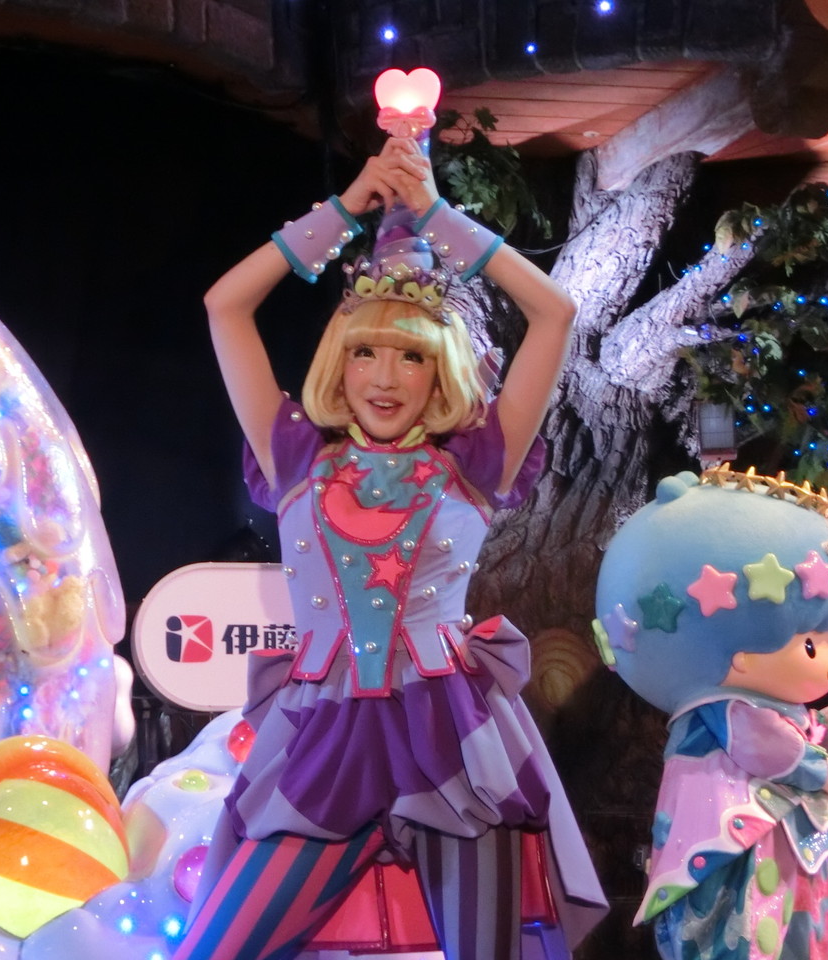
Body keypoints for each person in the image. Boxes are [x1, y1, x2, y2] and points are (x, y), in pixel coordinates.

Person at [174, 137, 606, 960]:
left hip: (453, 739)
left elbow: (554, 313)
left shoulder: (478, 459)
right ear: (338, 362)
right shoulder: (295, 455)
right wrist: (346, 209)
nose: (383, 375)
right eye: (364, 351)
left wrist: (438, 217)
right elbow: (225, 305)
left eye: (411, 356)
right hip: (321, 739)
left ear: (439, 371)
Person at [594, 466, 828, 960]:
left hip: (780, 836)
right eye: (810, 643)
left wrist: (827, 726)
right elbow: (773, 749)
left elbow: (792, 735)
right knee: (746, 917)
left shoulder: (771, 708)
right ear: (741, 651)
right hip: (737, 839)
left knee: (795, 914)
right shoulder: (724, 708)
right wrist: (826, 771)